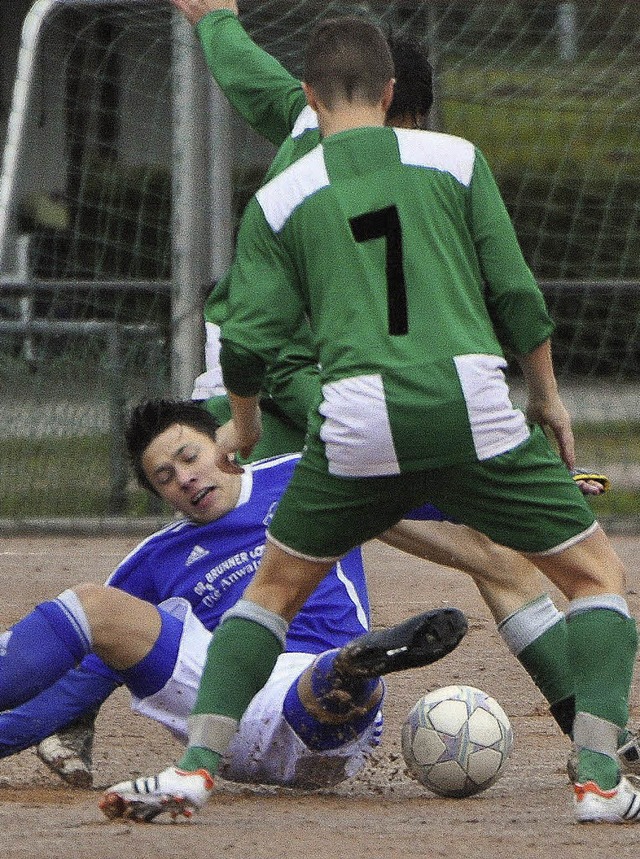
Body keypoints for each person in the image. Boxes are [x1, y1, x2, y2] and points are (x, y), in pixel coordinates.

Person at [103, 16, 639, 825]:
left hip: (348, 422)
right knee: (595, 577)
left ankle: (194, 770)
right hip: (468, 412)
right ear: (393, 96)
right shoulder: (457, 159)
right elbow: (518, 295)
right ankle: (600, 774)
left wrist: (241, 429)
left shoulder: (280, 194)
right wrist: (548, 398)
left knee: (269, 596)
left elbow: (247, 340)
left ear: (310, 98)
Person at [0, 398, 467, 818]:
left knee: (323, 677)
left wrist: (506, 499)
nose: (185, 478)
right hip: (225, 716)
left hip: (331, 724)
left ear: (224, 445)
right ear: (159, 495)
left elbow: (433, 494)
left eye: (190, 457)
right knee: (93, 606)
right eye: (165, 477)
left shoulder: (301, 477)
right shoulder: (150, 563)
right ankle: (353, 670)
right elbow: (81, 683)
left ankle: (346, 673)